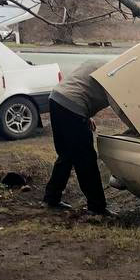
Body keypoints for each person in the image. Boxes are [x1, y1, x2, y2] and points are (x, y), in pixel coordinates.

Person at [44, 64, 110, 215]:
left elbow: (80, 85)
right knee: (86, 158)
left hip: (56, 98)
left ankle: (51, 197)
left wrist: (86, 116)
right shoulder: (113, 75)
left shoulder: (98, 63)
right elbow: (121, 107)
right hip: (73, 106)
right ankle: (97, 207)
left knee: (66, 154)